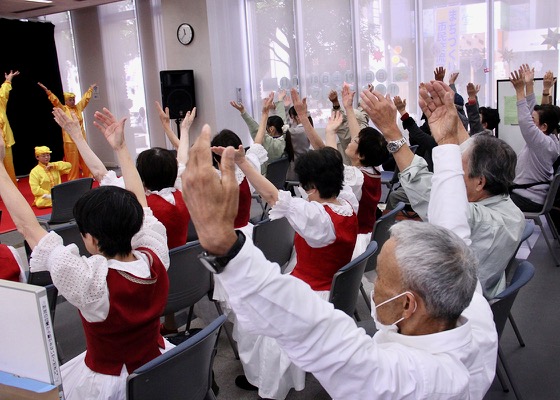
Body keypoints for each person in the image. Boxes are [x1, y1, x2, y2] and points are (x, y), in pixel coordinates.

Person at [180, 90, 497, 398]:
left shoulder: (406, 379)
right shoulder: (470, 306)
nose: (373, 288)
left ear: (408, 304)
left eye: (384, 283)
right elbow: (455, 235)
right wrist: (445, 146)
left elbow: (315, 329)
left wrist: (225, 247)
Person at [9, 107, 171, 400]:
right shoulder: (156, 254)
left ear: (92, 239)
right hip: (160, 367)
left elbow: (28, 228)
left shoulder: (90, 283)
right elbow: (141, 205)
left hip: (111, 383)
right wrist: (121, 148)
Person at [212, 125, 358, 398]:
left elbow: (272, 195)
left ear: (311, 185)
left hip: (312, 293)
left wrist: (243, 162)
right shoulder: (348, 203)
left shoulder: (318, 218)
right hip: (331, 289)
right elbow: (330, 161)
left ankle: (266, 385)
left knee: (255, 317)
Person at [360, 80, 525, 299]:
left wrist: (391, 131)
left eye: (458, 169)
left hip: (452, 307)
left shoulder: (478, 219)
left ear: (480, 182)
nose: (451, 173)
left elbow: (427, 188)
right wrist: (451, 121)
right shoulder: (510, 210)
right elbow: (470, 150)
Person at [293, 83, 387, 260]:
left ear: (360, 155)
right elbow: (327, 146)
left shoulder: (356, 176)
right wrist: (348, 108)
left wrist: (330, 132)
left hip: (355, 241)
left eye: (355, 141)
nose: (351, 141)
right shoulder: (373, 168)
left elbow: (329, 159)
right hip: (368, 237)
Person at [509, 65, 560, 212]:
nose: (531, 121)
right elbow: (534, 111)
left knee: (487, 204)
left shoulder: (542, 143)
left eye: (534, 120)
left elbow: (525, 121)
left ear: (544, 126)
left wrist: (519, 90)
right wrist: (529, 85)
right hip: (528, 195)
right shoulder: (550, 137)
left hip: (526, 199)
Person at [38, 82, 96, 180]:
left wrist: (90, 89)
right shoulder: (63, 109)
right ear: (66, 101)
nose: (73, 101)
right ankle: (73, 179)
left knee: (86, 158)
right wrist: (47, 91)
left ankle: (89, 176)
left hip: (81, 139)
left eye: (73, 99)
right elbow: (55, 101)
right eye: (70, 100)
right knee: (72, 162)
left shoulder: (78, 108)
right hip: (70, 140)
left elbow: (85, 99)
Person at [230, 92, 295, 175]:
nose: (263, 130)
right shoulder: (284, 137)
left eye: (265, 128)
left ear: (271, 129)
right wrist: (280, 100)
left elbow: (256, 130)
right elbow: (282, 119)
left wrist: (243, 112)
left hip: (263, 181)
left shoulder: (270, 145)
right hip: (273, 184)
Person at [327, 88, 370, 165]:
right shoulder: (364, 124)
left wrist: (336, 103)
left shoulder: (349, 136)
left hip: (348, 165)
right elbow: (363, 112)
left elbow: (340, 120)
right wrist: (366, 96)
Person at [0, 70, 19, 185]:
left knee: (9, 167)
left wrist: (8, 80)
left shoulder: (0, 105)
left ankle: (13, 191)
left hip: (6, 141)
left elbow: (4, 92)